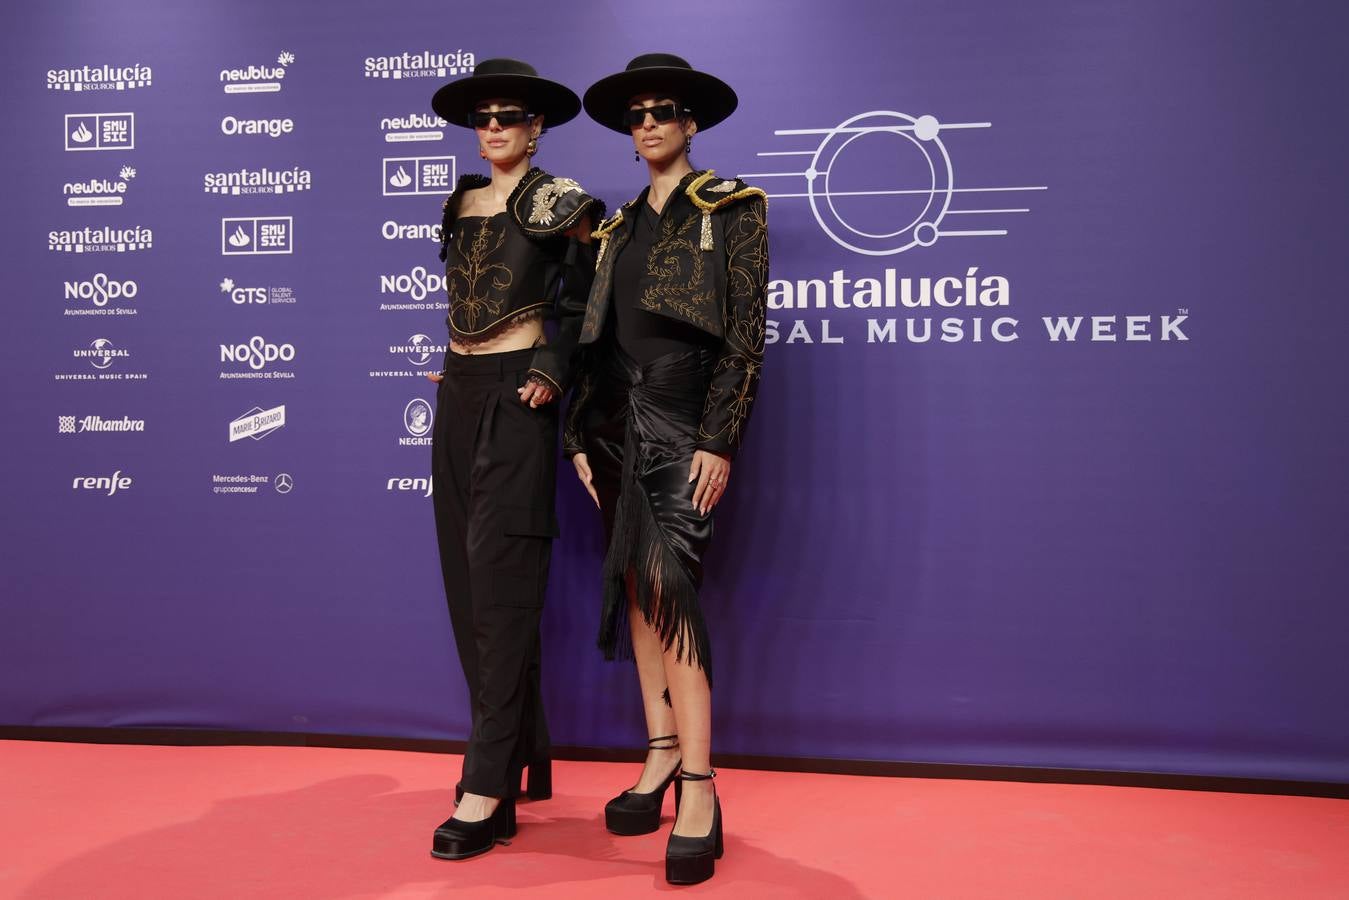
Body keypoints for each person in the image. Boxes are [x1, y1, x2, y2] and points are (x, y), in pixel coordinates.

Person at [567, 53, 769, 885]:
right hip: (614, 428)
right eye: (635, 114)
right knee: (638, 593)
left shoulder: (733, 208)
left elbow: (744, 337)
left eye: (662, 111)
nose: (646, 123)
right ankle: (657, 753)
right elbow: (594, 342)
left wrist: (717, 439)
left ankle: (698, 785)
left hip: (683, 422)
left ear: (690, 124)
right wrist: (579, 433)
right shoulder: (613, 230)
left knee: (673, 592)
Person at [425, 58, 601, 861]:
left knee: (501, 590)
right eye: (482, 116)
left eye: (509, 116)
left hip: (517, 396)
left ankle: (482, 783)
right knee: (467, 591)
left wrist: (549, 369)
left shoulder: (561, 201)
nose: (492, 127)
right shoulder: (459, 200)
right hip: (458, 389)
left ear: (536, 128)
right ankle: (512, 769)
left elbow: (585, 296)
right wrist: (461, 367)